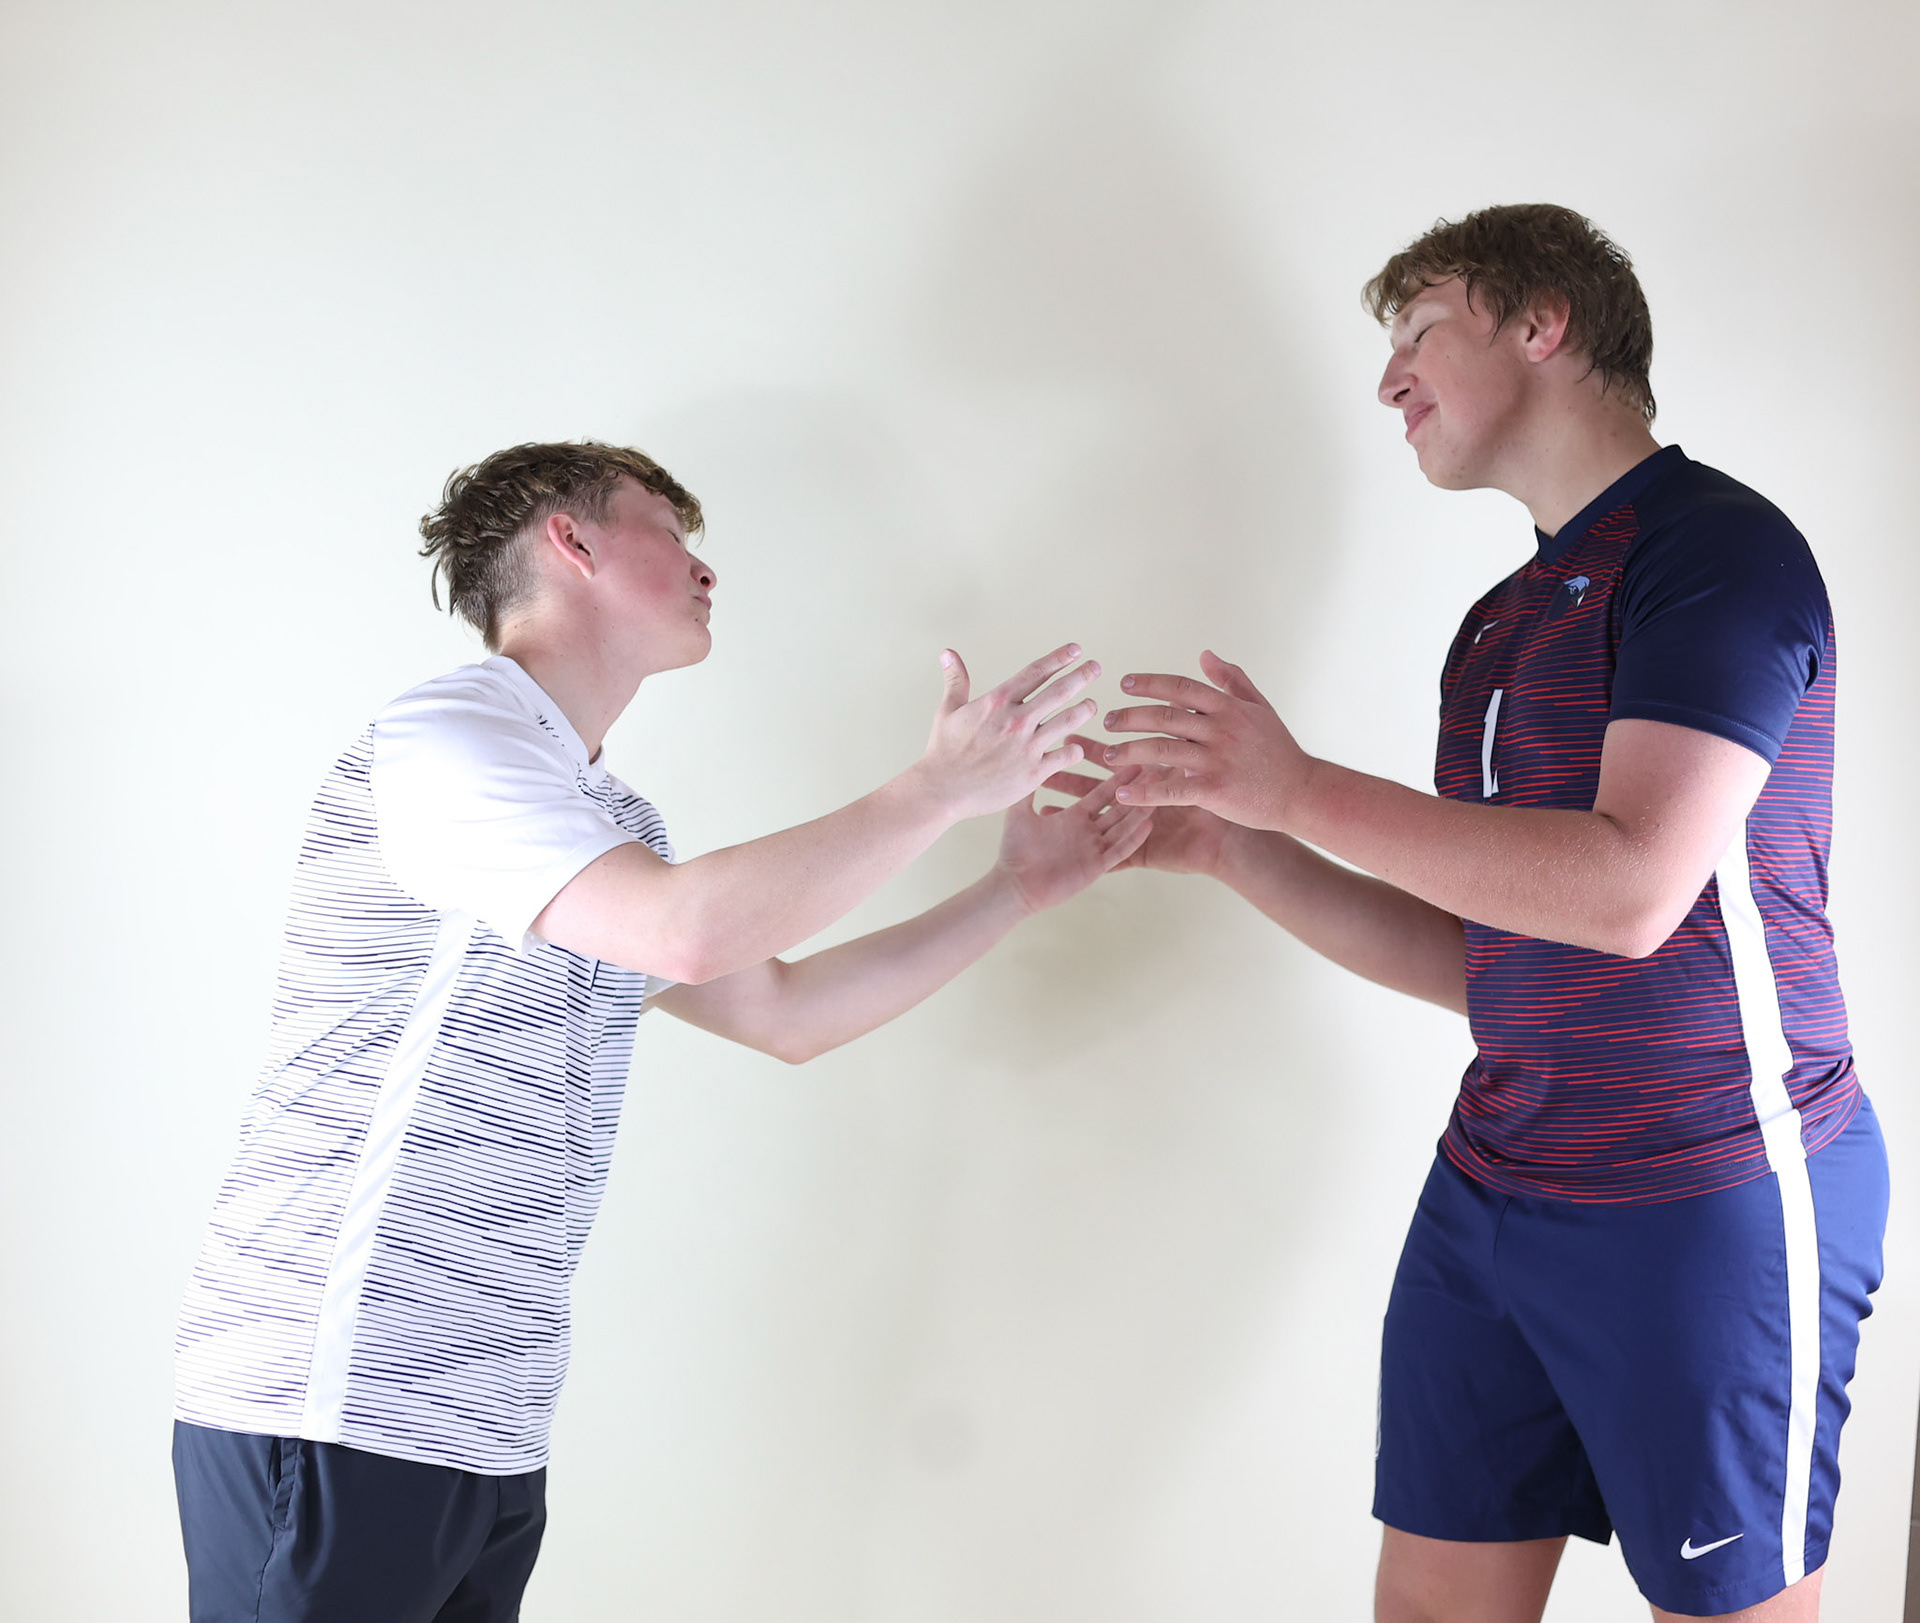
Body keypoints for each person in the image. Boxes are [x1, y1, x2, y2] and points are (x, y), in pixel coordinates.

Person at [172, 440, 1150, 1621]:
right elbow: (686, 933)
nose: (705, 566)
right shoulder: (449, 743)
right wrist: (936, 789)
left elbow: (783, 1011)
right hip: (333, 1395)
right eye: (669, 530)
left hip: (484, 1421)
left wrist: (1017, 892)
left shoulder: (599, 816)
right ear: (570, 542)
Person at [1087, 205, 1886, 1621]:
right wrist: (1232, 841)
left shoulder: (1718, 553)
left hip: (1709, 1186)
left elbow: (1634, 890)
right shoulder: (1504, 620)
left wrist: (1298, 787)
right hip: (1496, 1190)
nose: (1388, 379)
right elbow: (1499, 964)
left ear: (1543, 323)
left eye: (1417, 331)